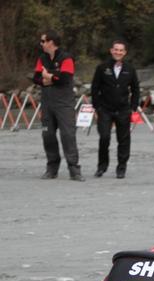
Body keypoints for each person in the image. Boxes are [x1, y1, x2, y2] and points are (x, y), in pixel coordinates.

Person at [33, 30, 84, 181]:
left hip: (64, 104)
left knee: (68, 135)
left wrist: (50, 76)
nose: (41, 44)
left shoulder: (66, 57)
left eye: (43, 41)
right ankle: (52, 168)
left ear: (51, 42)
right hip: (47, 103)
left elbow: (66, 77)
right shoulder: (42, 58)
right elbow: (36, 77)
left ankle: (74, 169)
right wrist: (47, 79)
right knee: (47, 134)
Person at [91, 40, 140, 179]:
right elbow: (95, 88)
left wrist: (133, 107)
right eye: (116, 49)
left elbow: (136, 89)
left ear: (124, 53)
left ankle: (121, 167)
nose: (118, 52)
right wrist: (97, 107)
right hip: (105, 109)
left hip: (123, 109)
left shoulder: (130, 69)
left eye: (121, 50)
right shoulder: (102, 67)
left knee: (123, 139)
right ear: (111, 50)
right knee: (104, 137)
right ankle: (102, 166)